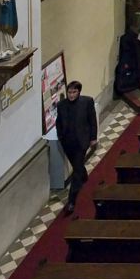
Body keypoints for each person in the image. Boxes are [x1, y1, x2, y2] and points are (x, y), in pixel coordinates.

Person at [55, 80, 97, 214]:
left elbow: (92, 121)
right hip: (67, 142)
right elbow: (58, 122)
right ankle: (84, 176)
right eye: (69, 92)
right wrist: (60, 136)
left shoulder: (87, 102)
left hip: (81, 142)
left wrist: (93, 138)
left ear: (79, 92)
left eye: (74, 92)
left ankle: (71, 201)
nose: (71, 95)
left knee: (76, 171)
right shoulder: (61, 105)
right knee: (77, 165)